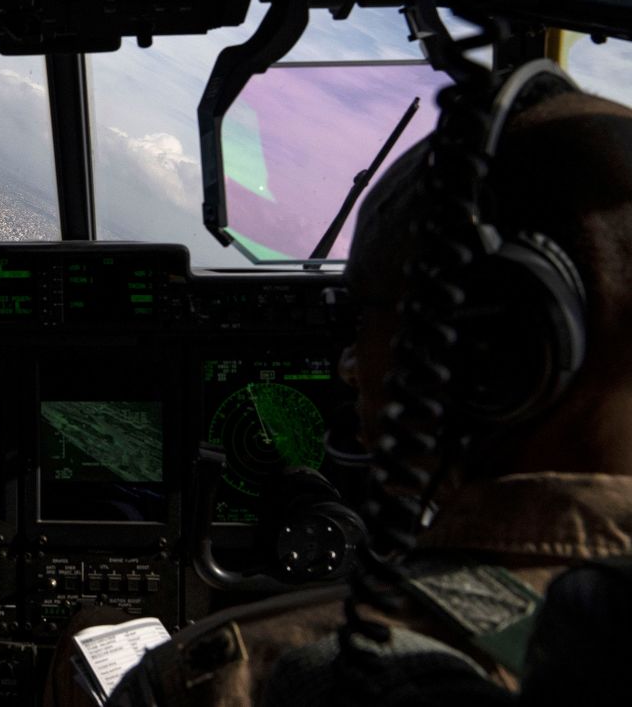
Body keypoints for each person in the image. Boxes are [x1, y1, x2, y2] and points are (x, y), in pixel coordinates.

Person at [45, 79, 632, 707]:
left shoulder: (241, 676)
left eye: (366, 319)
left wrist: (107, 646)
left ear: (491, 340)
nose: (349, 367)